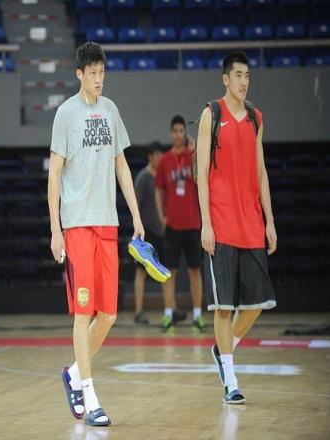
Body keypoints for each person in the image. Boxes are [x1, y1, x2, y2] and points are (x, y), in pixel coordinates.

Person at [48, 42, 144, 426]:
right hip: (76, 226)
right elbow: (54, 174)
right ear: (79, 75)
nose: (99, 79)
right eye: (92, 73)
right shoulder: (65, 114)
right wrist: (55, 230)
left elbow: (122, 166)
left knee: (109, 314)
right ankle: (90, 397)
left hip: (107, 223)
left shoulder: (111, 110)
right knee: (83, 311)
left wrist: (136, 214)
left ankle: (73, 374)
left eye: (102, 72)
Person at [196, 51, 277, 404]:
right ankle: (230, 380)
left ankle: (223, 349)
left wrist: (270, 220)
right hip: (221, 223)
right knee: (223, 307)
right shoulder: (211, 115)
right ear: (226, 79)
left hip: (251, 222)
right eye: (239, 75)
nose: (244, 82)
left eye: (248, 76)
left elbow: (261, 172)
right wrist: (206, 223)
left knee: (259, 302)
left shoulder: (257, 118)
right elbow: (201, 173)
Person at [154, 115, 206, 333]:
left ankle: (198, 316)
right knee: (169, 272)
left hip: (193, 223)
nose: (178, 134)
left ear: (185, 133)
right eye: (175, 131)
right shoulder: (164, 161)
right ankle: (168, 315)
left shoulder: (193, 155)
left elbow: (204, 177)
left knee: (195, 271)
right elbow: (159, 190)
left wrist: (196, 151)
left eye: (181, 131)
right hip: (173, 225)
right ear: (170, 134)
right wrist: (161, 216)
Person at [132, 143, 164, 325]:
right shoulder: (143, 177)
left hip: (161, 229)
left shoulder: (162, 175)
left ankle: (170, 310)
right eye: (157, 155)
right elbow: (135, 202)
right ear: (150, 157)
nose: (160, 158)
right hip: (146, 231)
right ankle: (138, 311)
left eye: (161, 155)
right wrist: (137, 227)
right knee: (141, 271)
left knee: (164, 269)